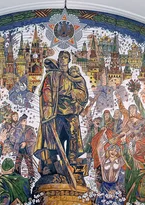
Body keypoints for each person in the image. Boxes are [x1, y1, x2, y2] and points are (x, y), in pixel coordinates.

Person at [34, 52, 88, 181]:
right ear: (58, 60)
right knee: (53, 140)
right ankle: (52, 166)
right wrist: (48, 111)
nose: (63, 60)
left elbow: (83, 94)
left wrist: (72, 93)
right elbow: (45, 92)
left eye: (66, 58)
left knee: (72, 139)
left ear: (69, 60)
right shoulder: (52, 75)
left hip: (70, 113)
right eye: (61, 58)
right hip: (56, 114)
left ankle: (72, 163)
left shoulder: (74, 76)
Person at [10, 114, 37, 178]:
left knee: (29, 163)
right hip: (19, 149)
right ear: (20, 122)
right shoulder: (17, 130)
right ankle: (17, 176)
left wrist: (26, 143)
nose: (25, 122)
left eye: (25, 120)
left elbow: (34, 139)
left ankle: (31, 177)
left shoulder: (30, 129)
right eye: (23, 120)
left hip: (27, 149)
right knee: (17, 164)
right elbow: (12, 139)